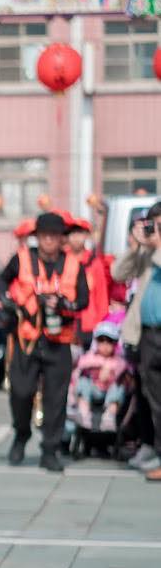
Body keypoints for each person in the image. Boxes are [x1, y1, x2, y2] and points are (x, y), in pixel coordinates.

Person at [1, 212, 90, 472]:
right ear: (37, 237)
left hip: (58, 340)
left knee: (56, 398)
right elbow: (2, 281)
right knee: (21, 391)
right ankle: (21, 434)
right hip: (27, 338)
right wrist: (8, 301)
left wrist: (62, 304)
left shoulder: (74, 265)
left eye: (54, 236)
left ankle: (49, 450)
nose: (49, 240)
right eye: (44, 236)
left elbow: (83, 299)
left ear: (62, 239)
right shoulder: (22, 259)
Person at [111, 203, 161, 480]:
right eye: (153, 225)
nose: (156, 231)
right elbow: (118, 273)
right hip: (147, 334)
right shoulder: (147, 253)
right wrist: (136, 247)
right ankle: (151, 446)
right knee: (149, 396)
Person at [69, 322, 127, 432]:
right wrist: (101, 365)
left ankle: (110, 415)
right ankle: (84, 413)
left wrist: (109, 368)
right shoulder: (91, 356)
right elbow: (82, 363)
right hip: (93, 390)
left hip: (109, 394)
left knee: (119, 386)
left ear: (114, 343)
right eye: (101, 340)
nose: (105, 345)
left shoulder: (118, 360)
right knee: (83, 381)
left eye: (109, 341)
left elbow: (122, 366)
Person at [65, 216, 109, 344]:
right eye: (72, 233)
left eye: (80, 233)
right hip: (67, 322)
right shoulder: (63, 260)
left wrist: (101, 324)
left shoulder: (94, 263)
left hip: (90, 324)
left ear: (86, 236)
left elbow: (101, 297)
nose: (76, 238)